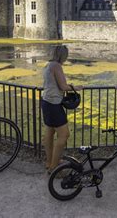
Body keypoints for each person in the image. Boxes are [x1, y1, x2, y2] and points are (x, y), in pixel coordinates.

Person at [42, 45, 83, 173]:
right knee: (64, 134)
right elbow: (63, 86)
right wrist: (75, 87)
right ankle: (54, 168)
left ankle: (50, 162)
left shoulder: (48, 65)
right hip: (54, 104)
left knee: (49, 134)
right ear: (63, 55)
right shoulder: (56, 66)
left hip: (46, 102)